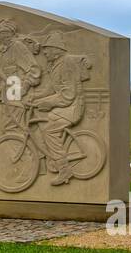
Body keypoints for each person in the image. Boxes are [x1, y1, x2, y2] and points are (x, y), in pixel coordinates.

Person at [32, 32, 91, 185]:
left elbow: (67, 96)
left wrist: (48, 103)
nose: (44, 52)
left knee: (49, 131)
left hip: (72, 108)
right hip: (65, 107)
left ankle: (64, 170)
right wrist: (33, 98)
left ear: (56, 49)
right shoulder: (55, 65)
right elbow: (50, 89)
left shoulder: (66, 65)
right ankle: (53, 158)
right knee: (42, 123)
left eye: (47, 49)